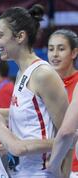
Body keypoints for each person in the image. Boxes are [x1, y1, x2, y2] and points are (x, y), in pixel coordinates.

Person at [0, 4, 69, 177]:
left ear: (20, 37)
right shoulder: (21, 73)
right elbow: (26, 121)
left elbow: (69, 133)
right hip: (21, 172)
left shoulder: (43, 74)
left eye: (0, 35)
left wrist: (62, 172)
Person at [46, 29, 78, 177]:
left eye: (61, 48)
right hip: (51, 165)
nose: (55, 54)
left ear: (74, 53)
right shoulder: (43, 85)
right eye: (51, 49)